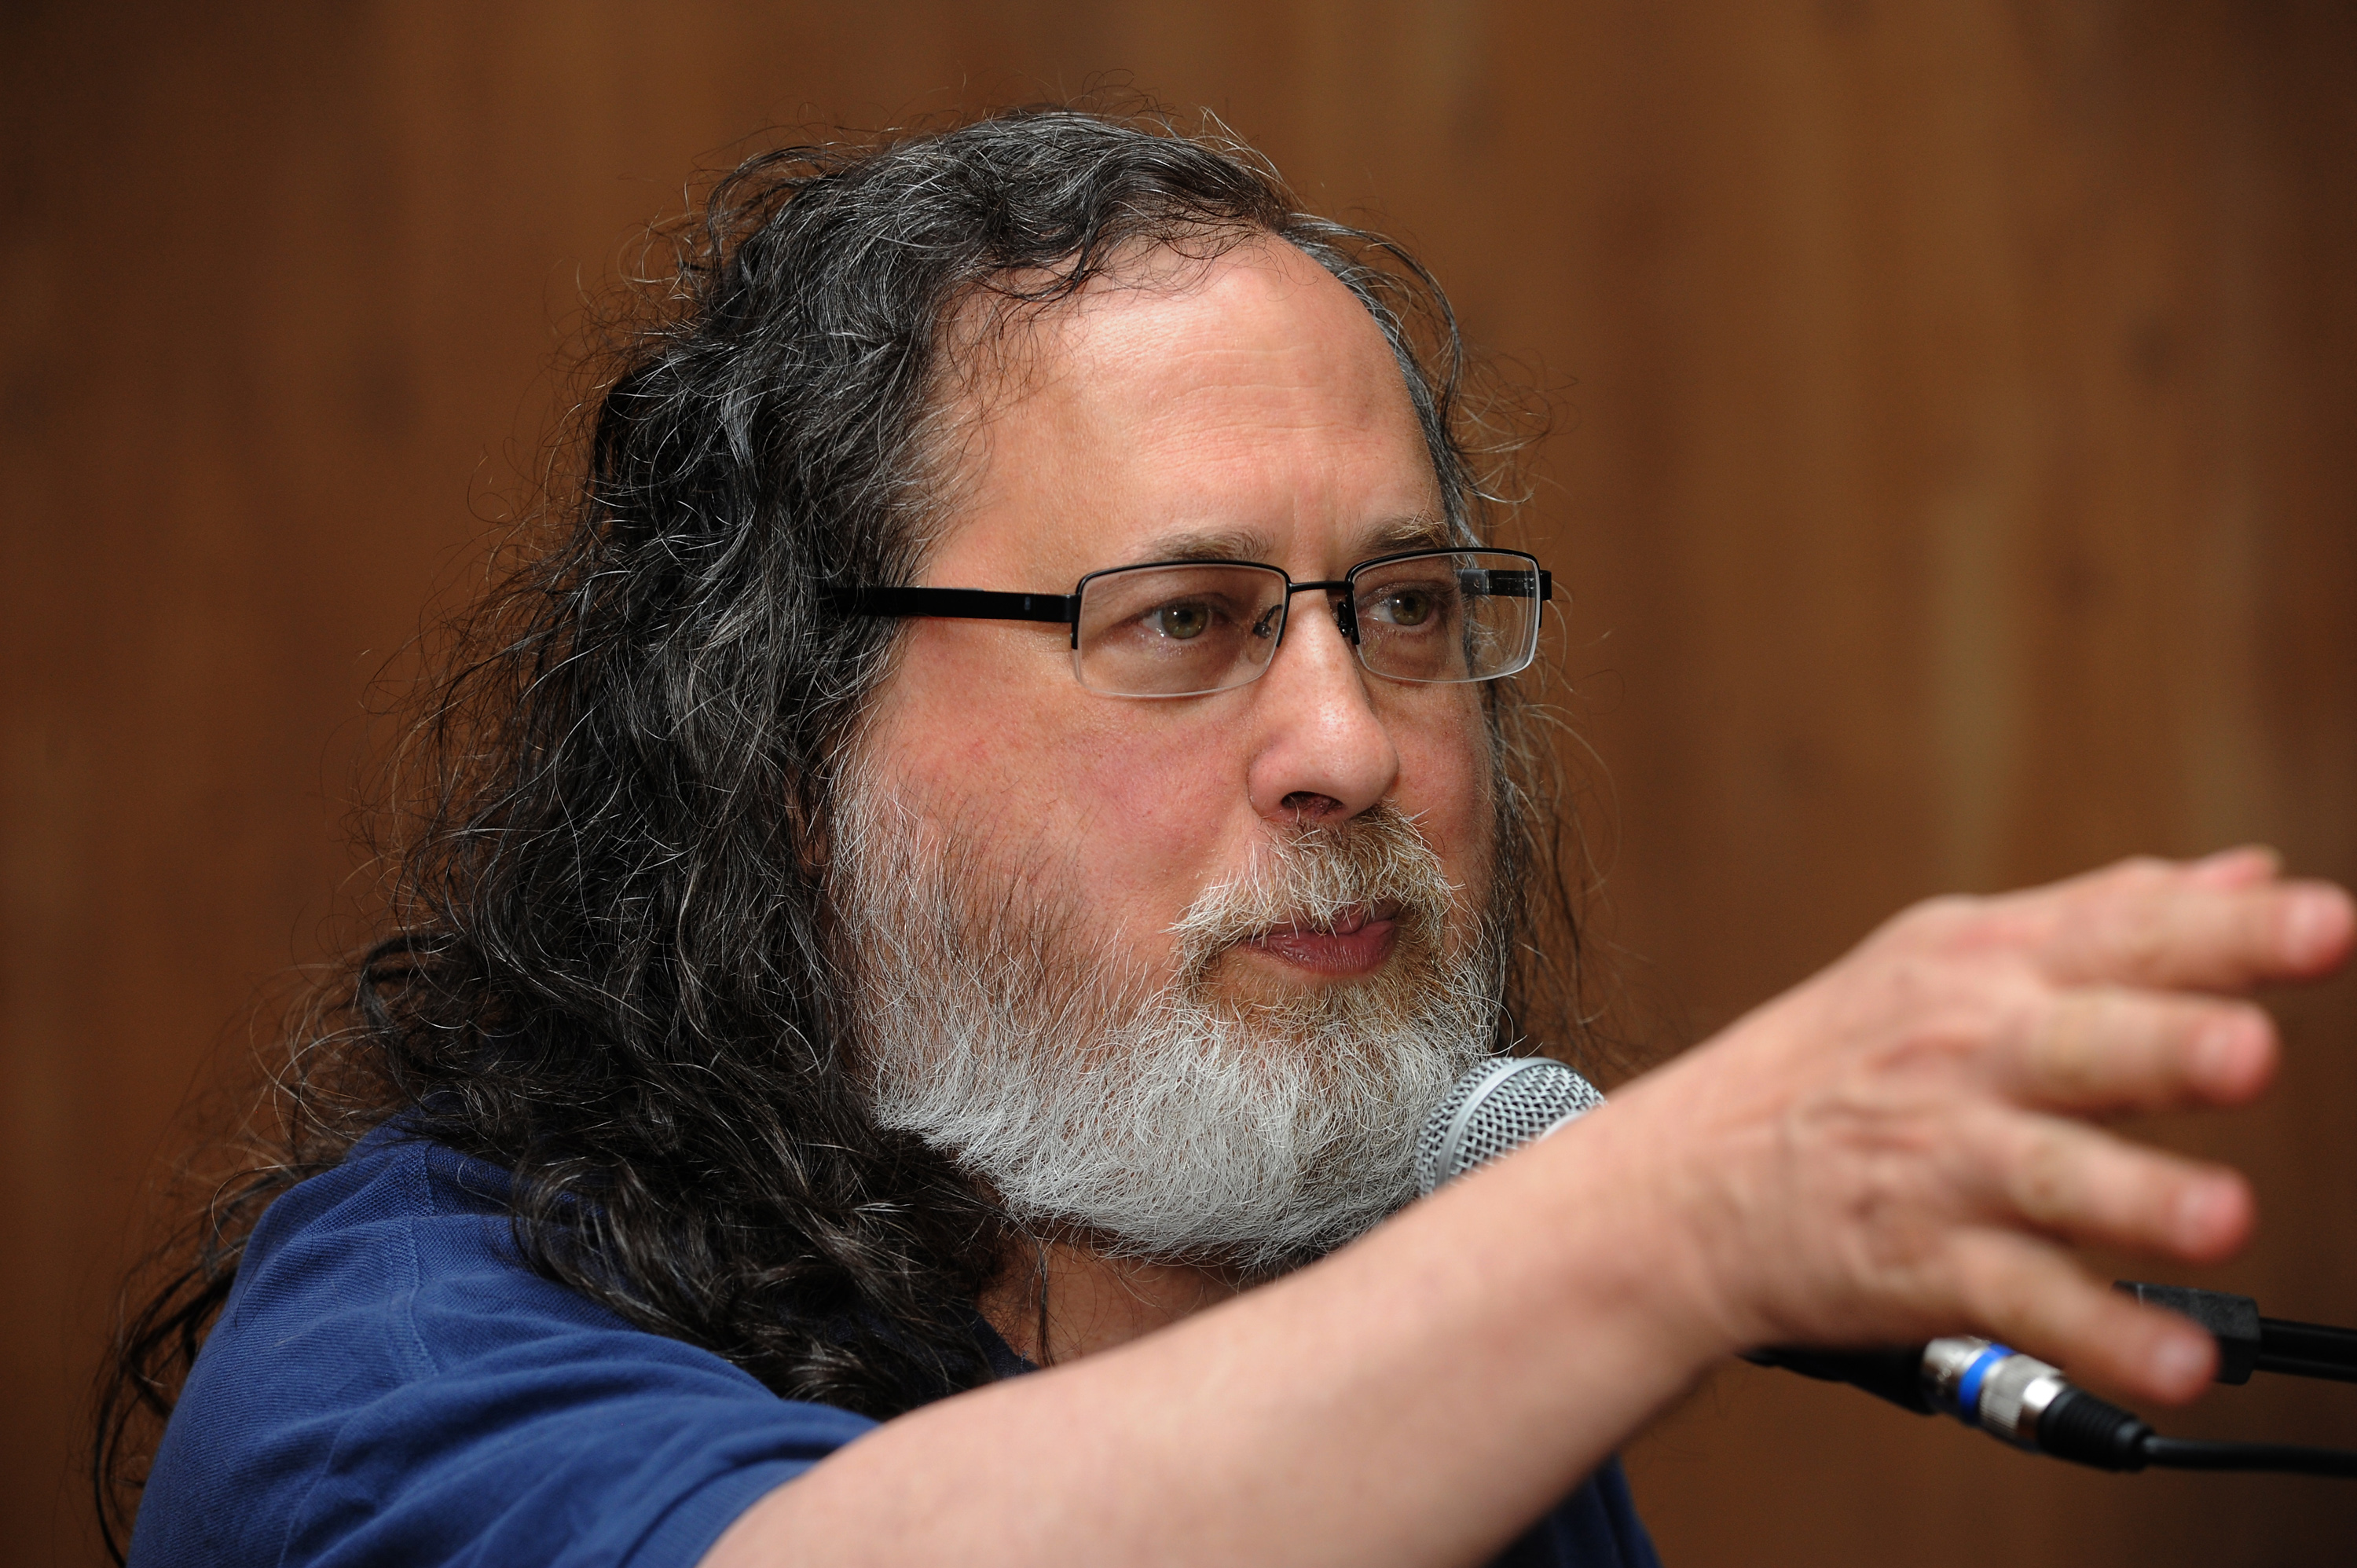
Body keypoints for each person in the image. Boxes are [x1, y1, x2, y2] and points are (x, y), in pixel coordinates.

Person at [103, 108, 2353, 1568]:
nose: (1348, 739)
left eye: (1398, 607)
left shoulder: (1380, 1305)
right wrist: (1668, 1217)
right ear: (783, 748)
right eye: (1179, 621)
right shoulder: (400, 1363)